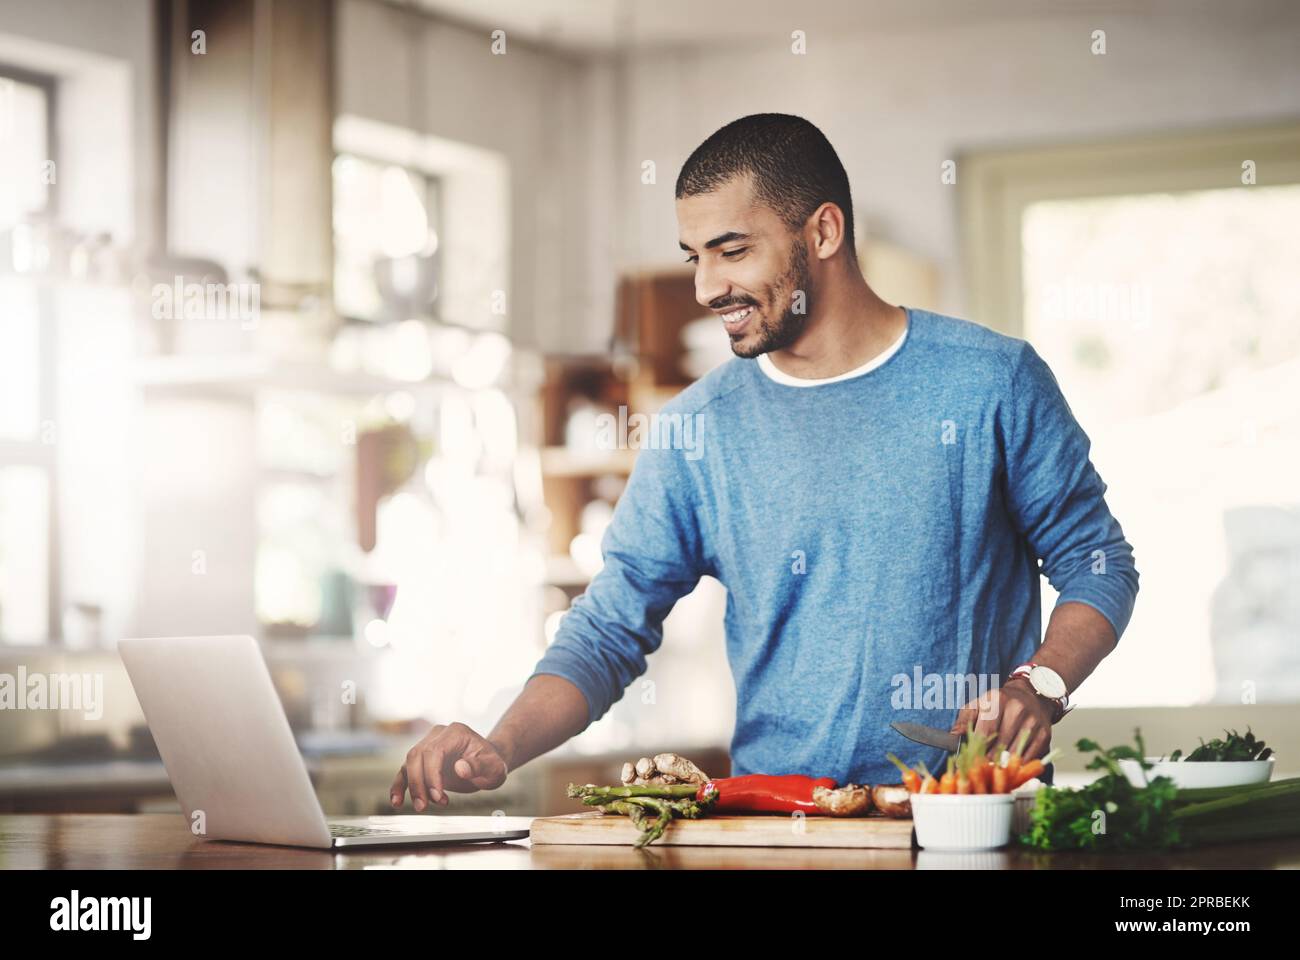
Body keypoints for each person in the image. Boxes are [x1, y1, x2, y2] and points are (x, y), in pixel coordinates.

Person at [390, 113, 1138, 811]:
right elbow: (610, 626)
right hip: (779, 829)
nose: (707, 287)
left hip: (970, 822)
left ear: (823, 230)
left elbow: (1098, 561)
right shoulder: (696, 431)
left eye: (733, 250)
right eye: (695, 257)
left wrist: (1039, 684)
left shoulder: (990, 382)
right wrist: (499, 744)